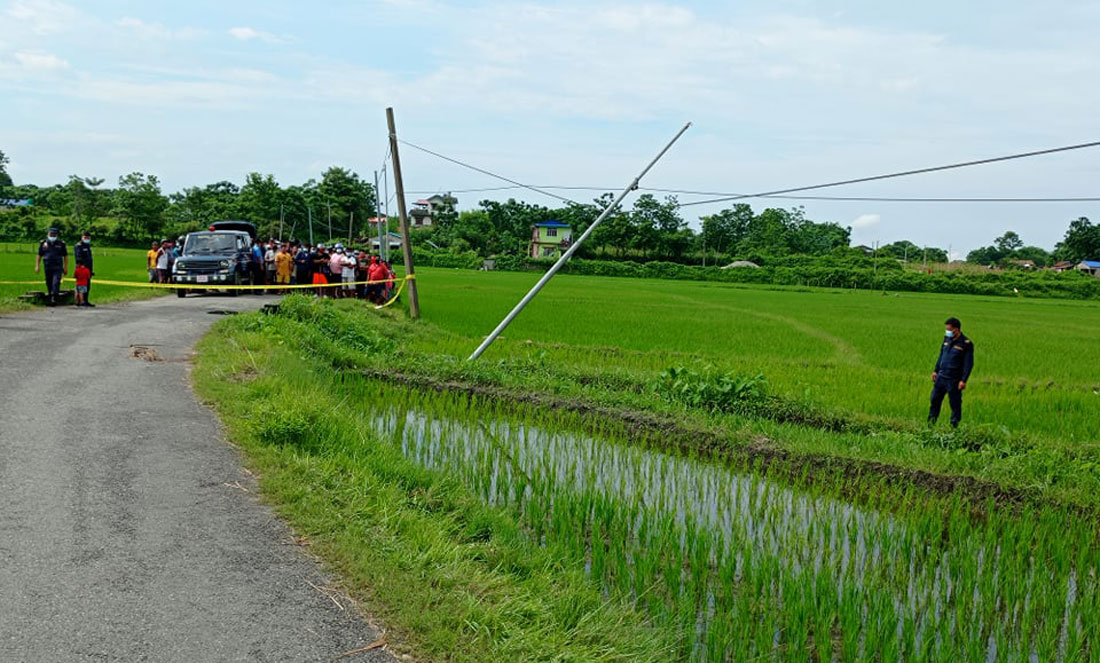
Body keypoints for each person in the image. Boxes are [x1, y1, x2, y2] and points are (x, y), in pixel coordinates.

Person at [929, 316, 974, 429]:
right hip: (941, 376)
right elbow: (941, 356)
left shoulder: (966, 343)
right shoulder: (946, 340)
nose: (948, 332)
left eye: (949, 330)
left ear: (956, 329)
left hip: (954, 379)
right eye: (947, 329)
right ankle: (930, 425)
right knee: (934, 400)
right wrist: (935, 370)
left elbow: (968, 364)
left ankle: (954, 427)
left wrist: (964, 380)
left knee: (955, 404)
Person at [35, 227, 68, 306]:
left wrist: (65, 267)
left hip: (58, 266)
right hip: (47, 265)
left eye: (54, 234)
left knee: (56, 282)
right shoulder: (43, 243)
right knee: (48, 282)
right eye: (51, 234)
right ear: (48, 234)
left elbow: (65, 256)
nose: (52, 236)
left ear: (57, 235)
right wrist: (37, 266)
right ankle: (50, 297)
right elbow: (39, 255)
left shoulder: (61, 244)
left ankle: (54, 297)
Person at [73, 231, 95, 306]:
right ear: (82, 237)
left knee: (87, 286)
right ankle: (80, 301)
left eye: (88, 238)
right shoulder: (79, 246)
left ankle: (85, 300)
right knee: (81, 286)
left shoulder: (87, 246)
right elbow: (78, 257)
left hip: (88, 269)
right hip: (82, 269)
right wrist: (81, 268)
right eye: (85, 237)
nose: (87, 239)